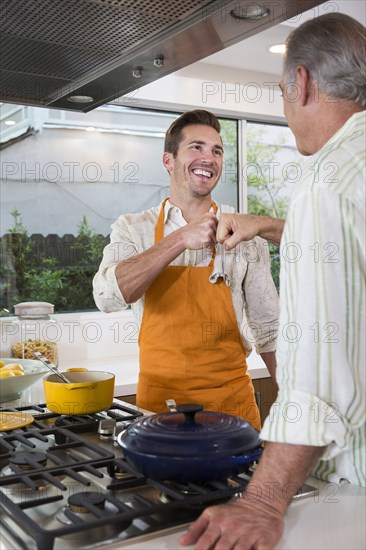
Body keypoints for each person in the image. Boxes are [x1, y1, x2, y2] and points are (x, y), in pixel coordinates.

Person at [179, 12, 365, 550]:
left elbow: (319, 371)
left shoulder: (323, 186)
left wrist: (262, 501)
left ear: (301, 82)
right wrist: (266, 224)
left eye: (282, 96)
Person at [93, 109, 279, 430]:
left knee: (240, 483)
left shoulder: (244, 232)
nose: (209, 158)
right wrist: (179, 239)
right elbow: (108, 297)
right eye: (196, 147)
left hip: (233, 408)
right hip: (159, 410)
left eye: (216, 151)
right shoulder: (133, 228)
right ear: (168, 161)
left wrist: (298, 399)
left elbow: (269, 329)